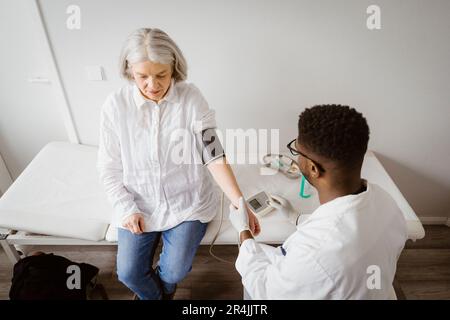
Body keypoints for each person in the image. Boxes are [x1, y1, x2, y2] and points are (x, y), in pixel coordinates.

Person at [97, 28, 260, 300]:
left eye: (161, 75)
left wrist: (241, 203)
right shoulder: (115, 106)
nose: (152, 85)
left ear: (174, 67)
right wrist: (127, 207)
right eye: (142, 76)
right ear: (129, 71)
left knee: (174, 272)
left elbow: (214, 155)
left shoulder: (191, 98)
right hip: (138, 202)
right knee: (128, 274)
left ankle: (162, 290)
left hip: (188, 202)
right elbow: (109, 168)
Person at [229, 104, 408, 299]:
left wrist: (243, 231)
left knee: (254, 262)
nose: (296, 158)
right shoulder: (386, 201)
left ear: (313, 168)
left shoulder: (315, 255)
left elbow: (265, 291)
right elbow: (346, 230)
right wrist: (297, 218)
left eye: (296, 151)